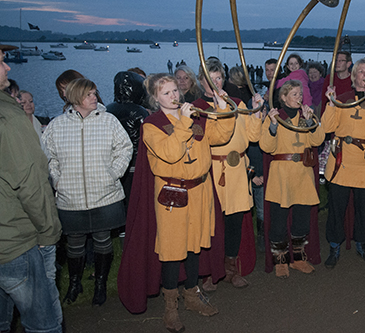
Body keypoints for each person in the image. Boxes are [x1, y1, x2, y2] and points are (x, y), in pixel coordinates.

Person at [117, 74, 234, 332]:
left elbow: (222, 134)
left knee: (193, 246)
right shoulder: (152, 124)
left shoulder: (196, 116)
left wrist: (222, 106)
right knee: (172, 250)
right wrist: (183, 123)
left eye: (174, 91)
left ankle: (192, 296)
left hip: (199, 191)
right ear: (155, 98)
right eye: (167, 93)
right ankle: (171, 307)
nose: (174, 96)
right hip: (173, 194)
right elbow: (171, 153)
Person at [41, 78, 133, 307]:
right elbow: (48, 155)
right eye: (89, 94)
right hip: (70, 198)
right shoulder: (57, 125)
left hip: (104, 194)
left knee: (103, 240)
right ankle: (75, 283)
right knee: (74, 243)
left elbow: (125, 148)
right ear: (76, 97)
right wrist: (57, 180)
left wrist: (113, 173)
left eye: (95, 93)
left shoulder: (109, 121)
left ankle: (100, 284)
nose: (95, 97)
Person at [0, 46, 63, 333]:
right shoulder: (10, 119)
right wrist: (48, 231)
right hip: (14, 241)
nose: (8, 68)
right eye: (1, 61)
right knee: (43, 323)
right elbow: (30, 180)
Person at [198, 59, 262, 289]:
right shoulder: (197, 107)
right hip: (212, 171)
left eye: (218, 78)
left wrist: (255, 113)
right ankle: (209, 272)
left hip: (236, 171)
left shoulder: (237, 103)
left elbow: (253, 137)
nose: (215, 83)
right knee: (212, 224)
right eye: (210, 79)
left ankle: (230, 269)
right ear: (201, 81)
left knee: (234, 222)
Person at [322, 59, 365, 268]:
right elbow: (327, 126)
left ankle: (362, 243)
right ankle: (334, 245)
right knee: (337, 208)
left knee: (363, 208)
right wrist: (331, 103)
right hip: (341, 163)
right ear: (353, 77)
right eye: (360, 71)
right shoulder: (341, 99)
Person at [261, 80, 325, 278]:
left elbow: (317, 140)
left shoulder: (307, 116)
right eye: (295, 94)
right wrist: (272, 126)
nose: (299, 98)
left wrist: (311, 122)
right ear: (283, 97)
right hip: (281, 173)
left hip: (302, 174)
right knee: (279, 220)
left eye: (300, 94)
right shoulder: (275, 117)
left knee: (301, 220)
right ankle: (280, 261)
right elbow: (266, 146)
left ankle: (298, 259)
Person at [106, 71, 149, 212]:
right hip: (136, 162)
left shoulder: (108, 110)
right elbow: (145, 137)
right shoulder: (140, 112)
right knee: (135, 198)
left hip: (114, 161)